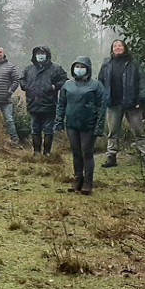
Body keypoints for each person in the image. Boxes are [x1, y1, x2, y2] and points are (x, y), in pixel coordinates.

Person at [98, 40, 145, 169]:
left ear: (125, 48)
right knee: (112, 132)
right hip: (113, 103)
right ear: (112, 49)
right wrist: (103, 97)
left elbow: (143, 82)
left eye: (120, 45)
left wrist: (142, 99)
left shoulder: (133, 63)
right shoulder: (106, 63)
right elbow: (100, 81)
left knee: (139, 131)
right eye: (115, 46)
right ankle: (111, 157)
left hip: (132, 104)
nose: (117, 47)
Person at [56, 57, 106, 195]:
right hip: (72, 124)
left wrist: (99, 127)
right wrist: (59, 121)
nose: (79, 69)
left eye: (82, 66)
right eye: (76, 66)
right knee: (76, 152)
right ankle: (78, 179)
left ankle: (88, 183)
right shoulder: (67, 85)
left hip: (88, 125)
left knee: (87, 153)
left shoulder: (96, 85)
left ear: (88, 68)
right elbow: (61, 105)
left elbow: (102, 107)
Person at [20, 46, 67, 155]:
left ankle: (47, 153)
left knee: (48, 130)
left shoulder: (56, 68)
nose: (40, 55)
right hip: (33, 104)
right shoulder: (28, 69)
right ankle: (36, 152)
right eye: (38, 53)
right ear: (34, 55)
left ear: (47, 55)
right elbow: (22, 80)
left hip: (49, 104)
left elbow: (64, 80)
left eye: (42, 53)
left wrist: (55, 86)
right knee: (35, 129)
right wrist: (26, 86)